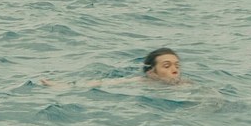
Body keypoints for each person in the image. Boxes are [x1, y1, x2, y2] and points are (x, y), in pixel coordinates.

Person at [40, 47, 184, 88]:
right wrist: (64, 86)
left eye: (177, 65)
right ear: (151, 71)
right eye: (167, 66)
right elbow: (101, 83)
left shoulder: (184, 84)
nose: (174, 70)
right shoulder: (141, 82)